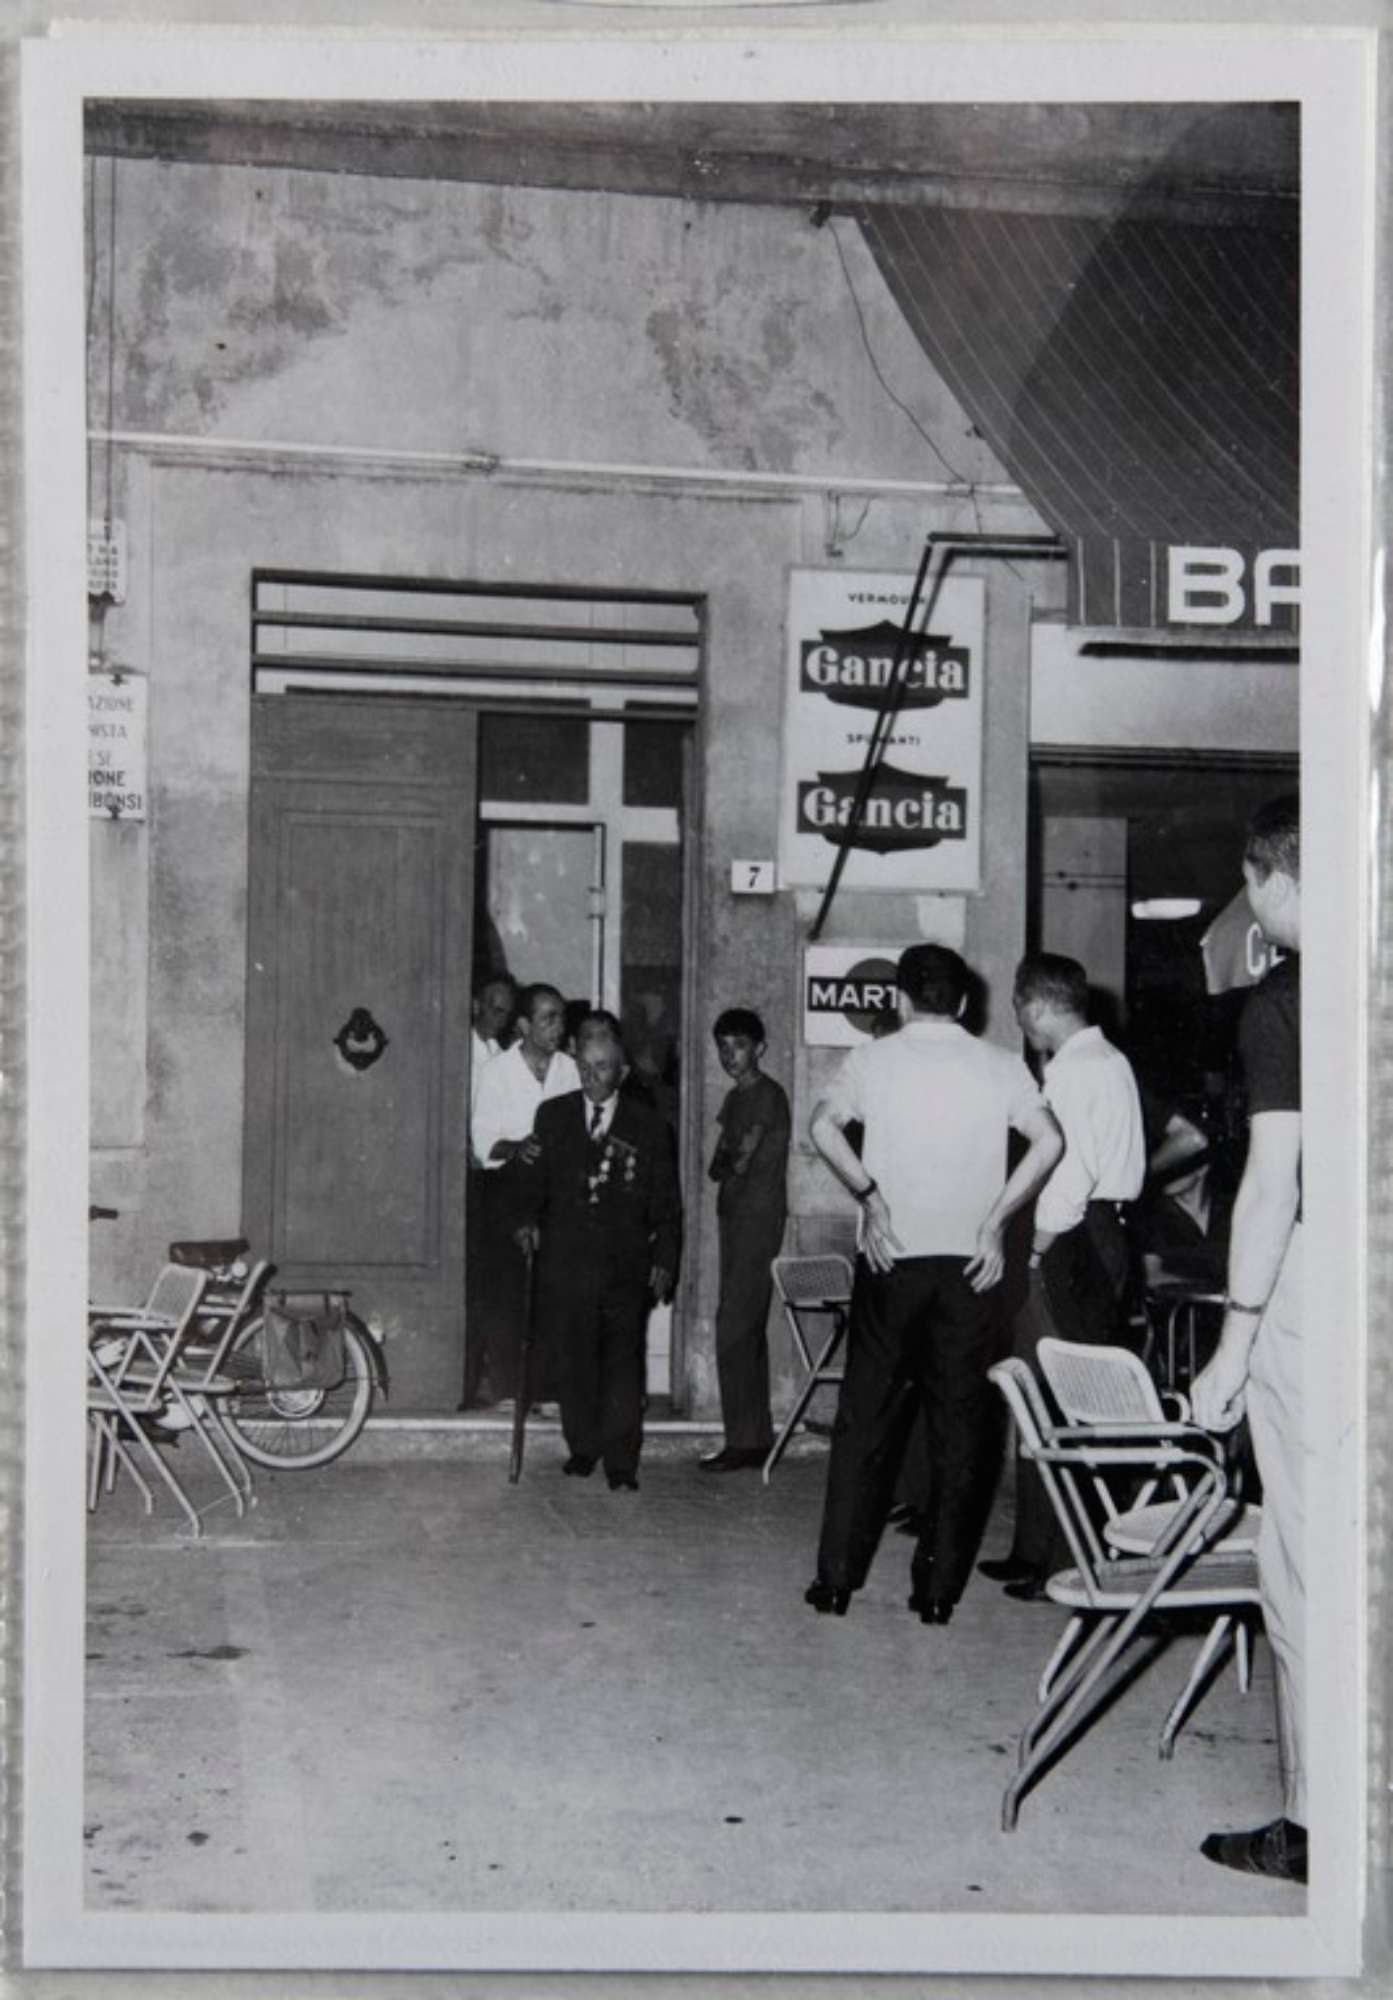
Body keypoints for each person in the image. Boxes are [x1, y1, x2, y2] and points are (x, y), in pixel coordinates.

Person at [804, 943, 1064, 1625]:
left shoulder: (871, 1061)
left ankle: (834, 1583)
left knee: (864, 1424)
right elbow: (1048, 1142)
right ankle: (937, 1594)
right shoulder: (1000, 1066)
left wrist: (871, 1198)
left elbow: (821, 1128)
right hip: (969, 1273)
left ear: (898, 999)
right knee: (959, 1431)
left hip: (892, 1264)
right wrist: (994, 1223)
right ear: (965, 1002)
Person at [1191, 794, 1305, 1885]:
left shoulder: (1284, 1002)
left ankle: (1314, 1823)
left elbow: (1273, 1181)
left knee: (1305, 1563)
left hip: (1312, 1294)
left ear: (1267, 881)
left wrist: (1232, 1345)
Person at [981, 953, 1147, 1600]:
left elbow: (1068, 1177)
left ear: (1034, 1005)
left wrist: (1032, 1250)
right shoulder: (1106, 1062)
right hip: (1100, 1232)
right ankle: (1034, 1548)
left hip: (1071, 1238)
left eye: (1019, 1008)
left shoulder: (1078, 1071)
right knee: (1046, 1388)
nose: (1020, 1021)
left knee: (1055, 1394)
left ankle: (1058, 1557)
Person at [515, 1020, 682, 1491]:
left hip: (625, 1267)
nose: (592, 1077)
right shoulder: (552, 1115)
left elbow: (668, 1204)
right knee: (576, 1361)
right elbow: (534, 1185)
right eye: (585, 1067)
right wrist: (526, 1220)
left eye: (603, 1068)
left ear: (622, 1072)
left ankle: (622, 1462)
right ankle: (583, 1448)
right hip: (566, 1267)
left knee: (623, 1366)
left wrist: (664, 1260)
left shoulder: (649, 1127)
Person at [470, 983, 581, 1410]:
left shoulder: (569, 1070)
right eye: (547, 1018)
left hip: (557, 1196)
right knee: (509, 1295)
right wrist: (516, 1147)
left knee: (554, 1293)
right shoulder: (498, 1071)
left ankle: (548, 1389)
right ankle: (510, 1389)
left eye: (560, 1018)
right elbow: (484, 1144)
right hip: (508, 1192)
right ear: (523, 1025)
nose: (557, 1027)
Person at [700, 1008, 791, 1472]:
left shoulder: (767, 1096)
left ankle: (744, 1440)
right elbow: (719, 1161)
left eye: (737, 1045)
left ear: (760, 1047)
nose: (729, 1055)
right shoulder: (736, 1098)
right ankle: (752, 1436)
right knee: (742, 1325)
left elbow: (736, 1160)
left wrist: (731, 1161)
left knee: (735, 1324)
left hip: (757, 1219)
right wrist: (729, 1161)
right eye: (722, 1046)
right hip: (734, 1217)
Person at [460, 971, 519, 1408]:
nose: (500, 1018)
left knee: (492, 1282)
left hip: (491, 1177)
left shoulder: (501, 1057)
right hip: (466, 1174)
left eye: (507, 1011)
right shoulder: (461, 1049)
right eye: (494, 1008)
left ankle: (491, 1378)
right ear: (477, 1004)